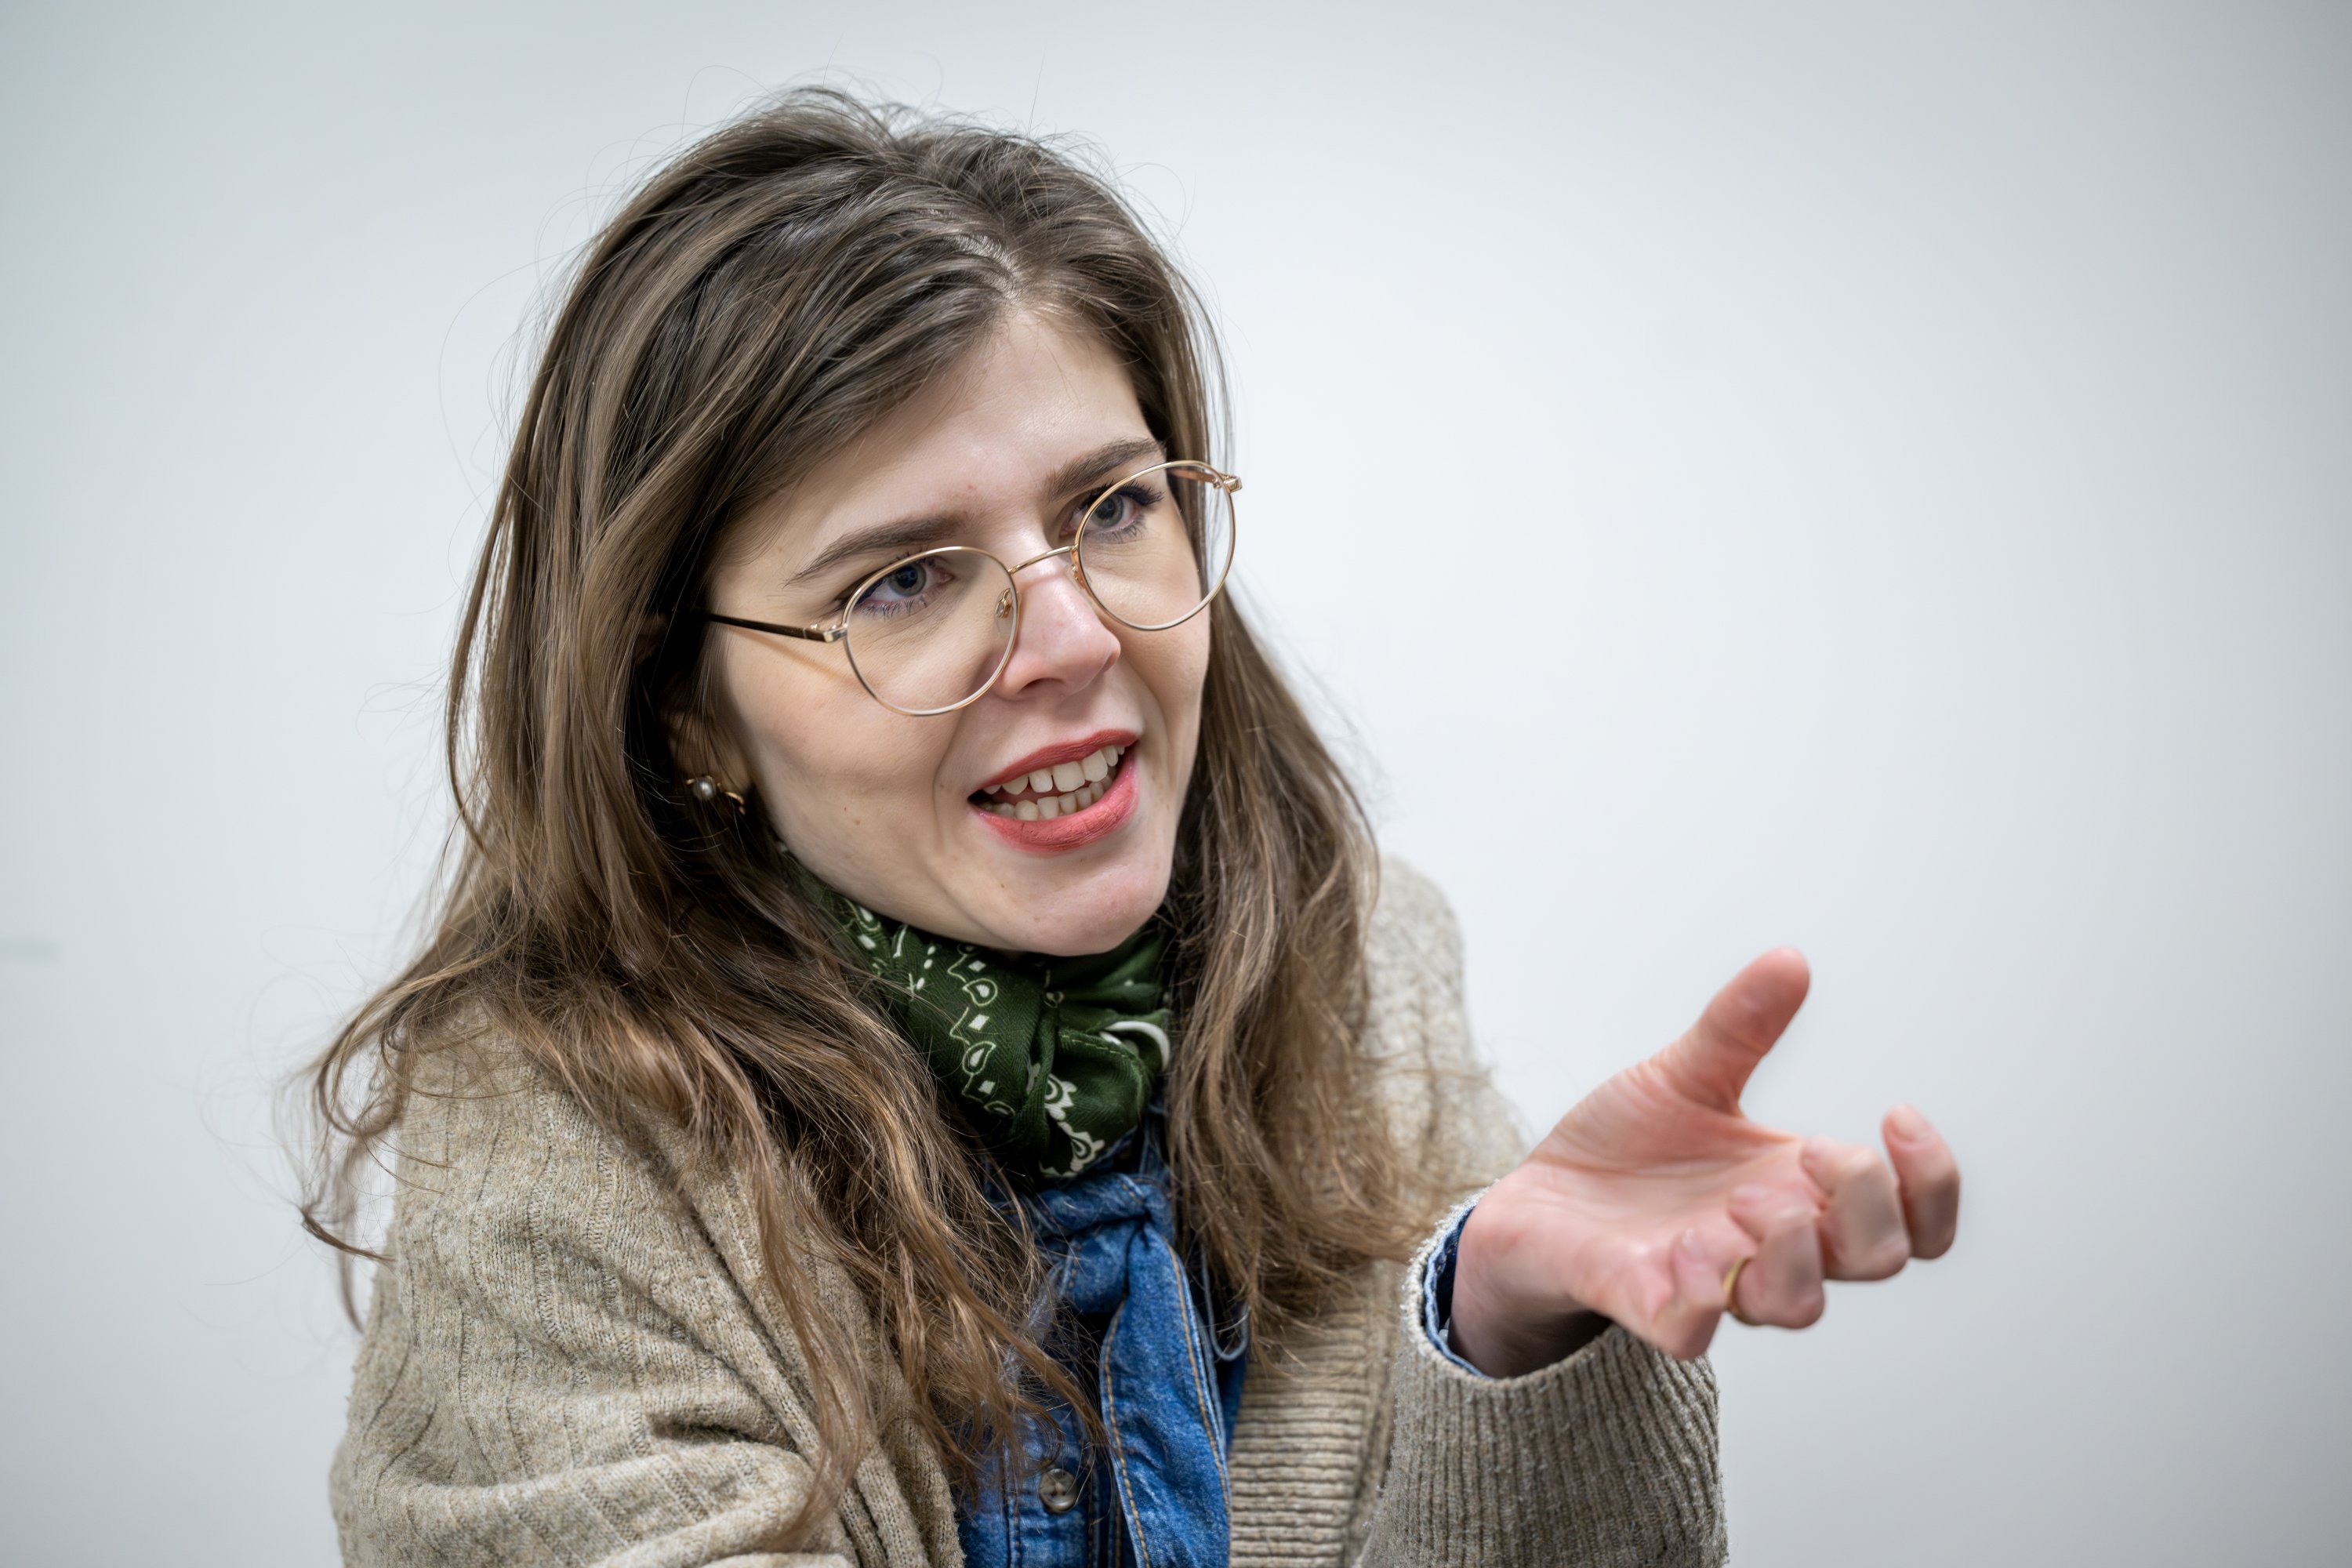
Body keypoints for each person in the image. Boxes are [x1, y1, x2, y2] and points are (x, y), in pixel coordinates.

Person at [305, 88, 1960, 1568]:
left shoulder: (1368, 970)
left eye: (1111, 506)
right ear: (686, 708)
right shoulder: (549, 1173)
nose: (1075, 635)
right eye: (904, 579)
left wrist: (1507, 1336)